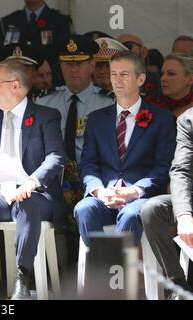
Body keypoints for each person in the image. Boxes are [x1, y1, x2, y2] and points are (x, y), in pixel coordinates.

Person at [0, 60, 65, 300]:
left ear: (15, 85)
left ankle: (22, 281)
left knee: (27, 202)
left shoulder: (46, 116)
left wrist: (31, 183)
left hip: (34, 196)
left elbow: (56, 157)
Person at [74, 51, 176, 247]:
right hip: (105, 195)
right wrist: (98, 191)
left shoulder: (161, 118)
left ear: (141, 79)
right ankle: (104, 269)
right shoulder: (96, 119)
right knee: (83, 208)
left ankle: (115, 273)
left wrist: (135, 191)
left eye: (124, 74)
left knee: (130, 214)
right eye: (114, 74)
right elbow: (88, 163)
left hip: (141, 197)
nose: (117, 80)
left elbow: (163, 166)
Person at [36, 34, 114, 266]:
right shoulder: (44, 102)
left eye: (79, 63)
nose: (73, 69)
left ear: (91, 65)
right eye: (67, 63)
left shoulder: (108, 103)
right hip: (55, 179)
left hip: (94, 177)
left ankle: (87, 269)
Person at [141, 107, 193, 299]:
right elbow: (181, 170)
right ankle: (178, 287)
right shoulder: (188, 119)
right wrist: (184, 214)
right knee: (152, 209)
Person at [0, 0, 72, 87]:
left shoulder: (60, 21)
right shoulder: (8, 22)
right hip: (15, 86)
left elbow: (67, 58)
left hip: (49, 86)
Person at [117, 34, 162, 102]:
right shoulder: (110, 82)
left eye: (128, 46)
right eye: (118, 49)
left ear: (144, 52)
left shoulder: (159, 82)